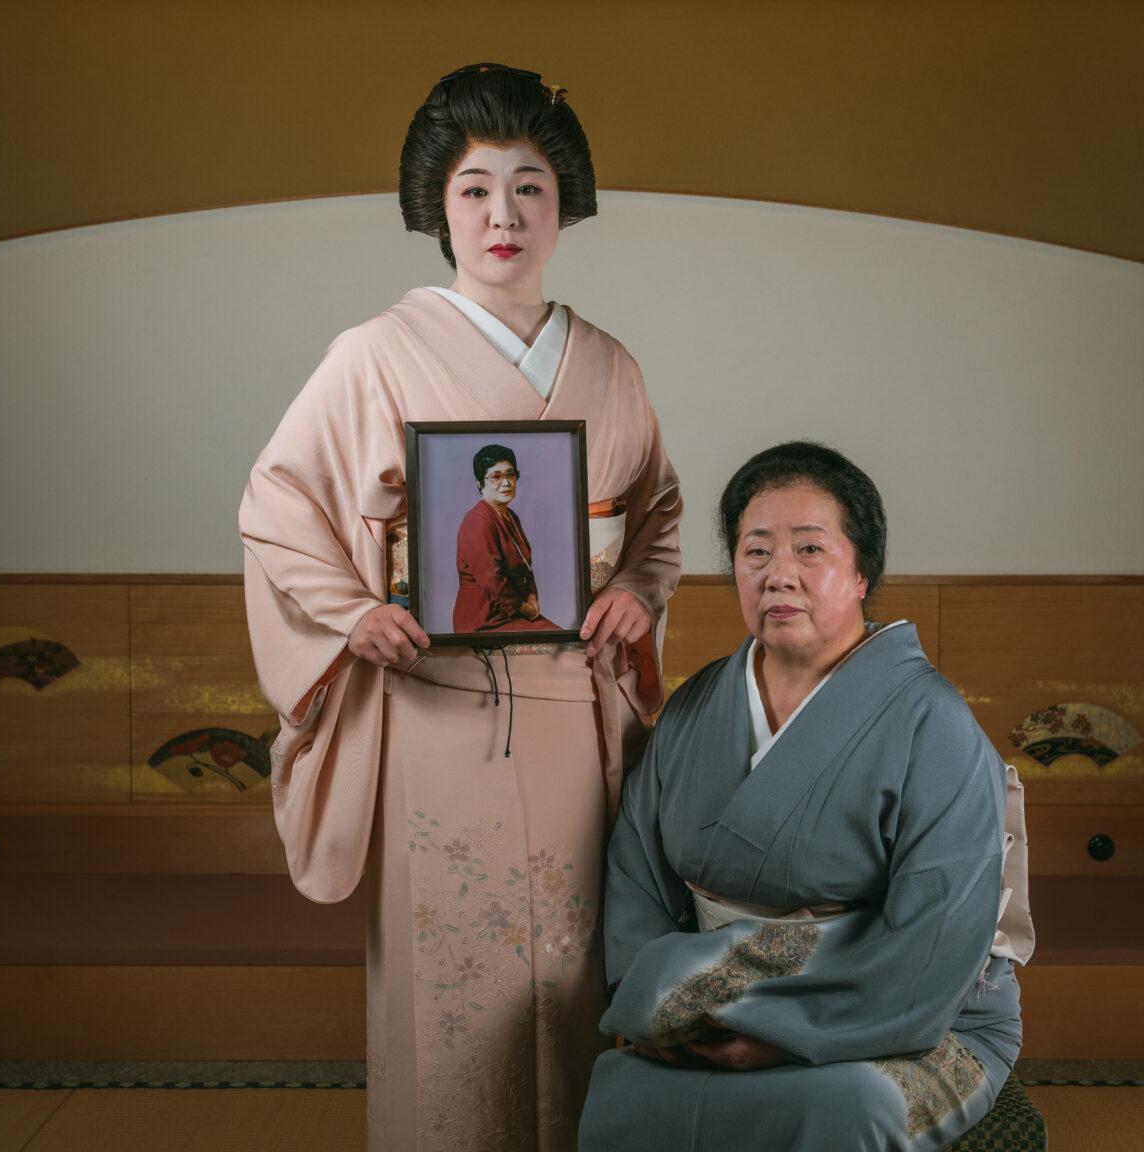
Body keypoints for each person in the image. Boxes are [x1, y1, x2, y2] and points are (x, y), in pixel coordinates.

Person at [239, 63, 681, 1152]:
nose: (504, 215)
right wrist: (351, 613)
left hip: (570, 714)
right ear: (438, 205)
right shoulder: (375, 357)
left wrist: (631, 589)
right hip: (431, 710)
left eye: (530, 187)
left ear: (563, 206)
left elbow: (658, 511)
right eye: (477, 188)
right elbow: (276, 498)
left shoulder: (610, 368)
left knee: (575, 968)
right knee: (450, 976)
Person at [579, 442, 1032, 1152]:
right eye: (755, 551)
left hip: (909, 1020)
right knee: (623, 1089)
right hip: (712, 1010)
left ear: (861, 573)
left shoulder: (933, 723)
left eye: (810, 549)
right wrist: (661, 1013)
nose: (777, 574)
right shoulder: (697, 708)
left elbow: (937, 936)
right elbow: (635, 872)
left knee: (843, 1106)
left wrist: (789, 1036)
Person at [454, 443, 560, 633]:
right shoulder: (477, 521)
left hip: (517, 611)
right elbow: (491, 580)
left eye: (510, 474)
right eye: (496, 476)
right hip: (485, 618)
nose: (506, 482)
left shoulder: (510, 516)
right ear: (480, 483)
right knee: (561, 649)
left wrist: (532, 597)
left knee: (569, 641)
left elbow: (526, 566)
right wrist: (523, 608)